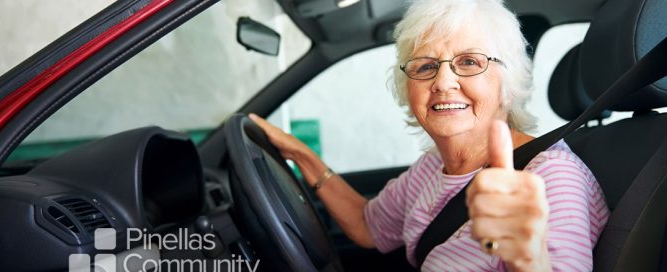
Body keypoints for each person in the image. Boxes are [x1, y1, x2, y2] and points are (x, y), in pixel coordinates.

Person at [250, 0, 609, 270]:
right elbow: (366, 225)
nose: (443, 82)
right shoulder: (430, 168)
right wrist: (300, 155)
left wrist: (528, 260)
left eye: (469, 62)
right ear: (408, 89)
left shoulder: (552, 177)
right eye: (425, 66)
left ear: (509, 84)